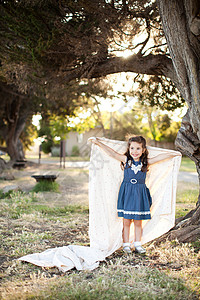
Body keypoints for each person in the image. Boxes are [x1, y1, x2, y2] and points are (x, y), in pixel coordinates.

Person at [91, 135, 181, 255]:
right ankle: (126, 244)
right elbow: (112, 153)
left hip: (139, 193)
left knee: (138, 221)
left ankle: (138, 244)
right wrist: (98, 143)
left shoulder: (145, 162)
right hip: (127, 193)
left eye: (138, 148)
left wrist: (174, 154)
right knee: (126, 221)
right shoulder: (126, 160)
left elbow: (160, 157)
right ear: (128, 149)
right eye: (132, 148)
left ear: (143, 150)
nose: (135, 151)